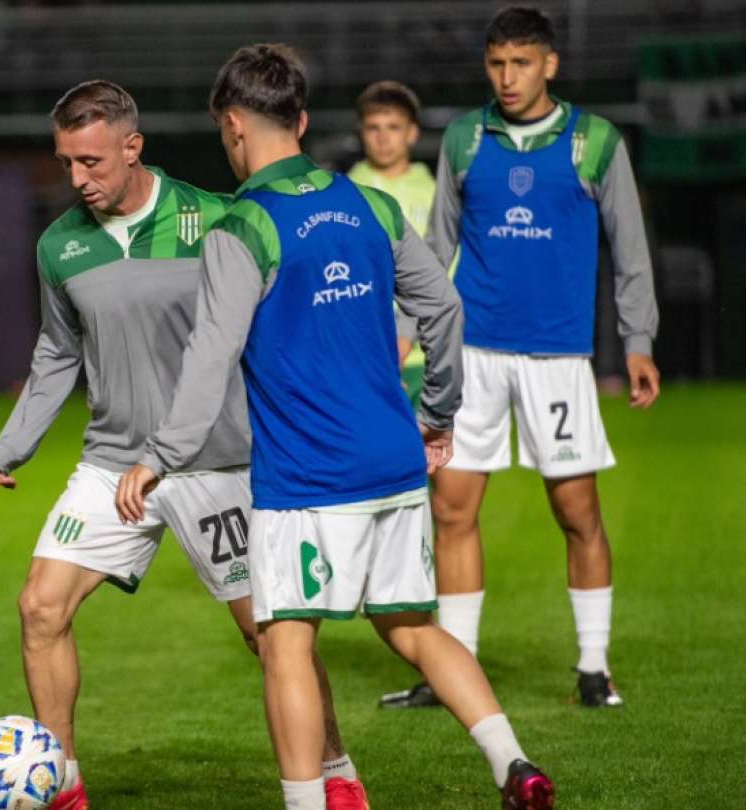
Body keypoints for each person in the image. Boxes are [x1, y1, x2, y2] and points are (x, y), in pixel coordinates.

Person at [116, 44, 554, 809]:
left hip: (305, 479)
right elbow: (445, 310)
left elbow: (209, 357)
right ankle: (514, 763)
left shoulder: (243, 226)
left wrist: (158, 456)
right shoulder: (371, 204)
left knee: (286, 641)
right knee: (414, 627)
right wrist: (437, 412)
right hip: (392, 461)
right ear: (304, 120)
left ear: (232, 126)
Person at [0, 80, 368, 810]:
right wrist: (15, 443)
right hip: (112, 462)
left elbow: (281, 323)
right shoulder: (60, 245)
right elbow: (57, 351)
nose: (78, 179)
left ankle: (338, 774)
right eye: (67, 162)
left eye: (92, 161)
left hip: (217, 460)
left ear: (134, 147)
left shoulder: (219, 219)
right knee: (41, 607)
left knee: (270, 634)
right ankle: (60, 783)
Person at [380, 5, 660, 711]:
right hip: (470, 352)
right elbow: (436, 243)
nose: (507, 78)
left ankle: (593, 668)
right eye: (497, 64)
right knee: (452, 507)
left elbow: (629, 251)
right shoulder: (467, 139)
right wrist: (409, 324)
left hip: (556, 357)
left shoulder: (594, 142)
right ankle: (456, 668)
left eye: (521, 64)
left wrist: (638, 343)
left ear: (550, 65)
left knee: (577, 511)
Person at [346, 81, 436, 408]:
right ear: (361, 132)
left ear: (412, 132)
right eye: (373, 127)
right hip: (360, 351)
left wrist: (404, 341)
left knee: (434, 456)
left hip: (422, 358)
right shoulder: (343, 194)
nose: (383, 137)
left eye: (393, 127)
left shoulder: (436, 195)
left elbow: (442, 277)